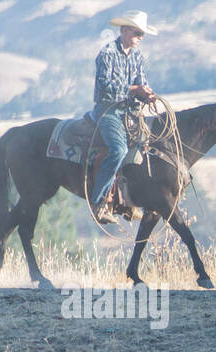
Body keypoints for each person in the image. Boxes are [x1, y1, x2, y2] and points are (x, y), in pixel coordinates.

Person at [89, 10, 159, 224]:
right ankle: (99, 201)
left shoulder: (137, 57)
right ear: (124, 30)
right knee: (119, 149)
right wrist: (135, 90)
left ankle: (129, 202)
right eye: (137, 33)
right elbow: (107, 87)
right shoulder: (108, 53)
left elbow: (141, 83)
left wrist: (146, 94)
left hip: (128, 112)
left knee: (145, 148)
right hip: (107, 110)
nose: (140, 38)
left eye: (142, 34)